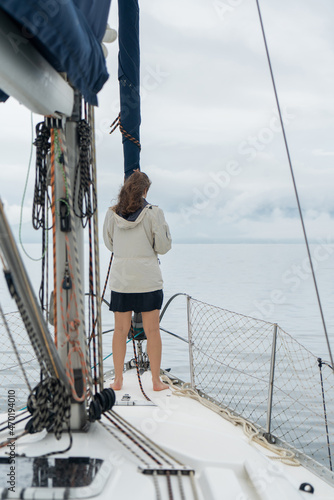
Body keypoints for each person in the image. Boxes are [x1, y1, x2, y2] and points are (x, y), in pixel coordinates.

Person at [103, 170, 172, 391]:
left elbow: (109, 243)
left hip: (122, 279)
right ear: (145, 190)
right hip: (148, 280)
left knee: (120, 330)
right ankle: (155, 381)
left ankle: (118, 381)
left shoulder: (112, 213)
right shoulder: (154, 213)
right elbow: (163, 246)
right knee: (152, 330)